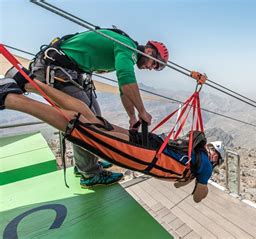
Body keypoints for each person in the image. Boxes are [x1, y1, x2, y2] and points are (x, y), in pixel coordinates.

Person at [0, 72, 220, 202]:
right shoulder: (204, 166)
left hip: (149, 143)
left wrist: (190, 176)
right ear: (213, 156)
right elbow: (198, 196)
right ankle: (10, 98)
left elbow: (176, 183)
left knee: (90, 119)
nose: (213, 161)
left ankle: (27, 82)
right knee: (81, 128)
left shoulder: (192, 155)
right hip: (144, 155)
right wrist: (203, 180)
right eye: (216, 159)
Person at [6, 28, 171, 188]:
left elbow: (123, 89)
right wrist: (142, 111)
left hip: (67, 70)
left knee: (96, 118)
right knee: (85, 123)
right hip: (58, 68)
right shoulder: (128, 48)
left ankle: (84, 163)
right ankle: (90, 174)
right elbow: (125, 78)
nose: (152, 68)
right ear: (149, 51)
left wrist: (133, 117)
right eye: (155, 64)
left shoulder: (125, 47)